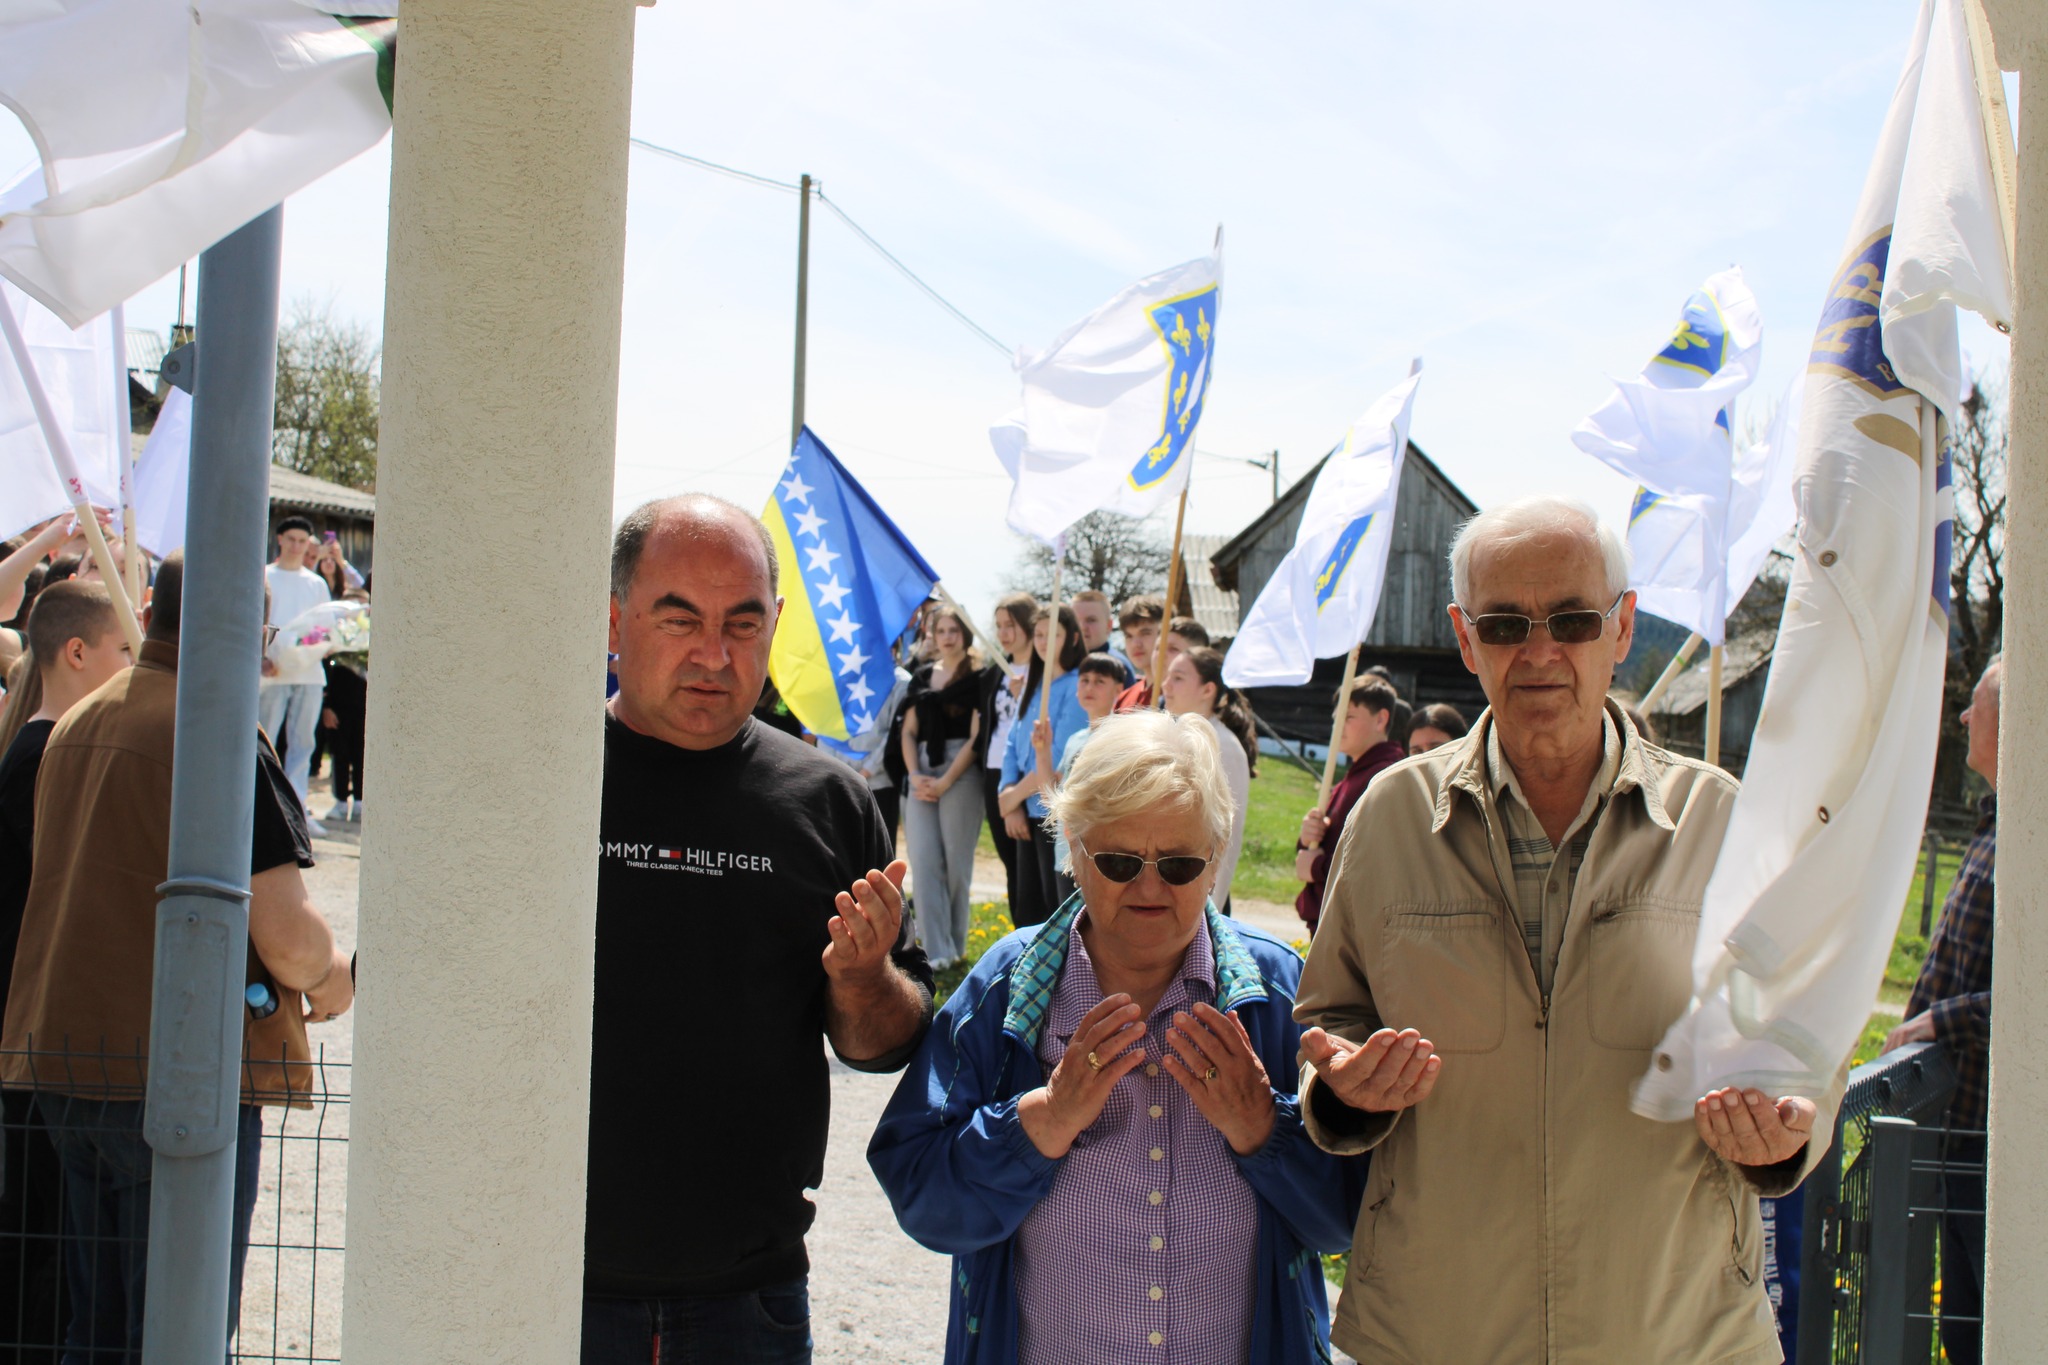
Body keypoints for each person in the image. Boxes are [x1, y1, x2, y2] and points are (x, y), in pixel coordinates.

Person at [1294, 496, 1840, 1363]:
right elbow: (1331, 1016)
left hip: (1673, 1330)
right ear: (1466, 638)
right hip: (1439, 1329)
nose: (1541, 651)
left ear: (1622, 627)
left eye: (1574, 619)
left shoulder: (1719, 820)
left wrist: (1787, 1131)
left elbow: (1803, 1039)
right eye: (1505, 624)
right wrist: (1343, 1087)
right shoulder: (1391, 815)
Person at [871, 710, 1365, 1363]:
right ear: (1073, 853)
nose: (1150, 885)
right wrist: (1042, 1122)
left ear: (1216, 859)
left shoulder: (1277, 993)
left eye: (1180, 863)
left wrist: (1263, 1128)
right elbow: (919, 1193)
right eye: (1119, 860)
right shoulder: (1009, 988)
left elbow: (1345, 1219)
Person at [588, 495, 935, 1364]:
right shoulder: (540, 779)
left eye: (742, 624)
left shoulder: (832, 802)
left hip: (747, 1299)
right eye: (680, 620)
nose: (714, 654)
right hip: (541, 1279)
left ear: (775, 622)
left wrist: (864, 979)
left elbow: (882, 1046)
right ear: (615, 619)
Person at [2, 551, 354, 1363]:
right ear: (245, 625)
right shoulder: (214, 729)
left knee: (93, 1332)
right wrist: (334, 977)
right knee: (176, 1339)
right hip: (173, 1081)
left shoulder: (78, 720)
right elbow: (286, 934)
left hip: (68, 1067)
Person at [0, 582, 132, 1354]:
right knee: (41, 1243)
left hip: (38, 1034)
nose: (133, 662)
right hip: (32, 1039)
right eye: (123, 648)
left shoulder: (43, 749)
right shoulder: (43, 757)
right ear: (77, 653)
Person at [1882, 657, 2001, 1365]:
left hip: (1994, 1140)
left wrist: (1937, 1021)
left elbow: (2033, 994)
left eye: (1975, 703)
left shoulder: (2031, 838)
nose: (1961, 716)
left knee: (1993, 1324)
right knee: (1963, 1331)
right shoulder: (1996, 827)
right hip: (1961, 1130)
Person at [900, 605, 986, 970]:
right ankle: (935, 951)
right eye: (941, 630)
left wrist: (946, 781)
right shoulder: (921, 676)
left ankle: (955, 943)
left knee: (956, 863)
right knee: (923, 861)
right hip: (921, 768)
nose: (947, 637)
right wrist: (914, 774)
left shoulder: (980, 677)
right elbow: (908, 731)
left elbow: (977, 736)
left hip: (961, 771)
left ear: (965, 634)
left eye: (954, 630)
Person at [1293, 676, 1408, 935]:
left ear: (1380, 719)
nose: (1337, 724)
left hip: (1358, 929)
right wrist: (1309, 837)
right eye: (1336, 717)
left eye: (1348, 716)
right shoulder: (1354, 776)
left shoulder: (1384, 778)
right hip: (1335, 923)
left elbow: (1377, 861)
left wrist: (1316, 867)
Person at [996, 605, 1086, 929]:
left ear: (1071, 638)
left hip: (1053, 812)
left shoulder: (1077, 687)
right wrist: (1009, 797)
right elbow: (1012, 744)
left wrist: (1013, 798)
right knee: (1027, 907)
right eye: (1039, 635)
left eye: (1054, 635)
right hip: (1025, 810)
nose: (1045, 642)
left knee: (1054, 908)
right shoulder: (1032, 686)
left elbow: (1058, 757)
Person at [1159, 645, 1257, 915]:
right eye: (1167, 676)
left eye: (1178, 678)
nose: (1166, 685)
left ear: (1207, 690)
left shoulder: (1223, 746)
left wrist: (1209, 905)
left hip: (1196, 890)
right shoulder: (1172, 734)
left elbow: (1226, 833)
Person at [1029, 651, 1127, 908]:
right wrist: (1042, 751)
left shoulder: (1120, 738)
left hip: (1096, 853)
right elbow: (1051, 796)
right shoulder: (1076, 739)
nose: (1089, 687)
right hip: (1065, 851)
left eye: (1099, 681)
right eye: (1084, 680)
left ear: (1118, 689)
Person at [258, 516, 335, 831]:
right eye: (291, 539)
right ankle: (263, 807)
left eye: (302, 541)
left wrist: (317, 648)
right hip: (273, 672)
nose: (296, 546)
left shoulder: (315, 583)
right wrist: (262, 657)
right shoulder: (265, 575)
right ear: (280, 539)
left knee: (303, 744)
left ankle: (297, 812)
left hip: (308, 673)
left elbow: (326, 626)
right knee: (266, 740)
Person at [978, 594, 1037, 916]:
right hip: (993, 771)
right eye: (999, 626)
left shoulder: (1043, 672)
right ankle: (1017, 935)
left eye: (1010, 625)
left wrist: (1024, 697)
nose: (1003, 633)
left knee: (1029, 871)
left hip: (1027, 775)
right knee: (1010, 866)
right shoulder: (994, 674)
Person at [1068, 589, 1134, 684]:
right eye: (1076, 620)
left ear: (1109, 625)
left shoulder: (1117, 667)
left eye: (1091, 620)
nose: (1082, 627)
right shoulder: (1061, 664)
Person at [1113, 594, 1167, 710]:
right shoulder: (1124, 699)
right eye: (1129, 636)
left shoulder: (1174, 694)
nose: (1135, 644)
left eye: (1145, 633)